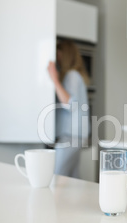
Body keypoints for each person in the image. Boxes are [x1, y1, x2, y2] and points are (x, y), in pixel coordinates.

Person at [47, 40, 90, 178]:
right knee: (72, 178)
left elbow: (70, 104)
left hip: (71, 136)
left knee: (57, 176)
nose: (56, 58)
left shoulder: (72, 76)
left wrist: (54, 79)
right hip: (76, 135)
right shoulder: (75, 76)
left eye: (58, 54)